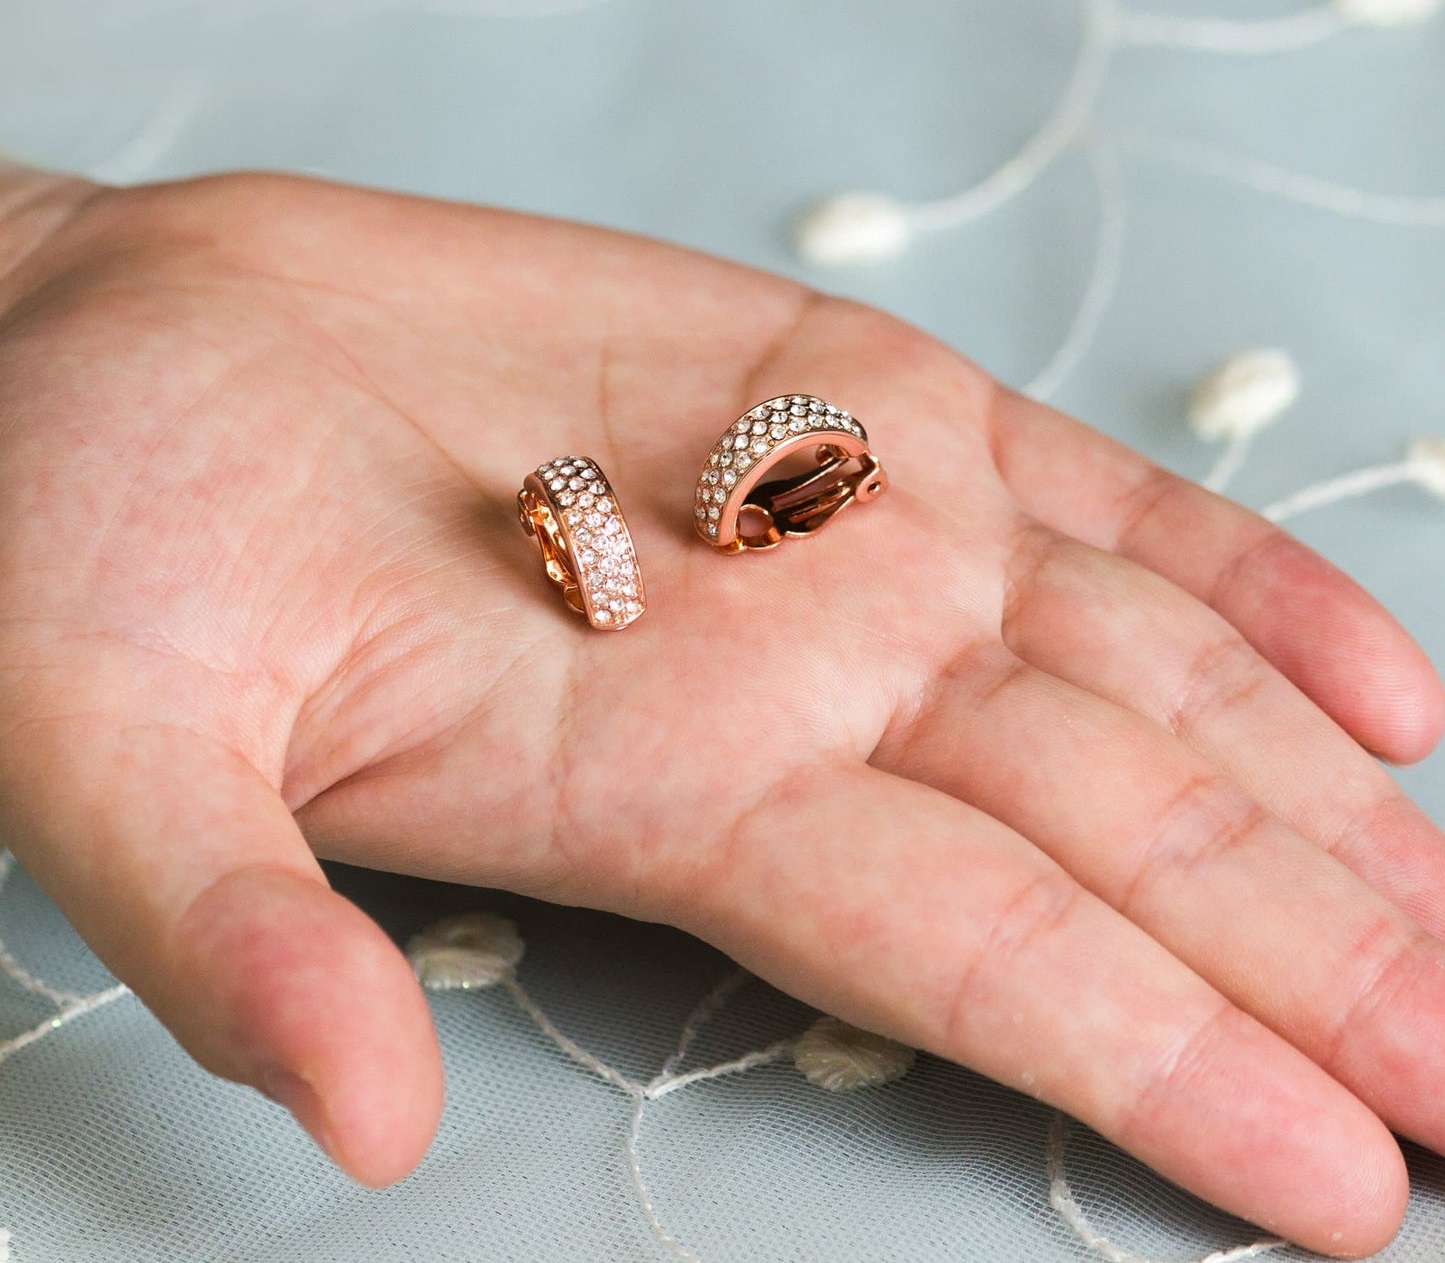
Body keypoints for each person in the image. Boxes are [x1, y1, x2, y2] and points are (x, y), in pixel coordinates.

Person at [0, 158, 1440, 1259]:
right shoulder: (584, 532)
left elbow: (793, 482)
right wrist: (39, 272)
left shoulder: (788, 490)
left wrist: (46, 244)